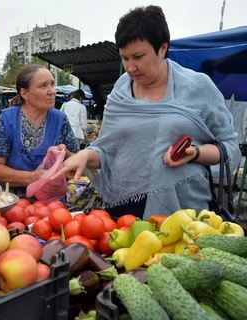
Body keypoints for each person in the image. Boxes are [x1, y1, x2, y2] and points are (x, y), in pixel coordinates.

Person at [53, 5, 241, 220]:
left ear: (162, 48)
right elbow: (108, 151)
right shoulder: (121, 91)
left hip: (182, 212)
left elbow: (229, 147)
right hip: (123, 208)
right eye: (125, 58)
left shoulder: (197, 86)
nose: (130, 67)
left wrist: (195, 154)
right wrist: (85, 155)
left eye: (138, 56)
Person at [0, 64, 79, 196]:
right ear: (25, 94)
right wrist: (33, 178)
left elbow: (76, 164)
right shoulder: (8, 119)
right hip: (11, 201)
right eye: (43, 86)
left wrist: (66, 154)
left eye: (52, 85)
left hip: (51, 203)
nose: (52, 91)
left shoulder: (60, 119)